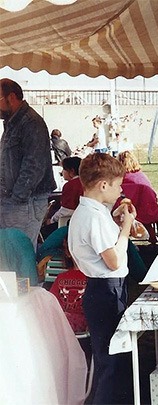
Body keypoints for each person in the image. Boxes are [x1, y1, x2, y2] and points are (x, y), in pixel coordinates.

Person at [67, 153, 135, 405]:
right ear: (103, 185)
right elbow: (114, 260)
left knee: (109, 359)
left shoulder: (90, 213)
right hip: (106, 290)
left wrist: (115, 219)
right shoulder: (94, 217)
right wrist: (126, 227)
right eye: (117, 185)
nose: (120, 190)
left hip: (102, 289)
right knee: (111, 362)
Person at [0, 78, 57, 248]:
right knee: (10, 255)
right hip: (16, 201)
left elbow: (33, 166)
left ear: (11, 97)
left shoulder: (31, 122)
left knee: (18, 255)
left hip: (25, 203)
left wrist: (16, 197)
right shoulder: (13, 122)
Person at [117, 151, 158, 243]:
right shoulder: (141, 176)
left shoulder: (120, 180)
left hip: (127, 210)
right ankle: (153, 238)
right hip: (148, 208)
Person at [48, 156, 83, 226]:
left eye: (64, 169)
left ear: (71, 171)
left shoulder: (70, 185)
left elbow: (66, 210)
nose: (61, 172)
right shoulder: (86, 182)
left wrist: (51, 220)